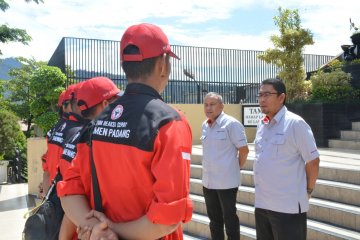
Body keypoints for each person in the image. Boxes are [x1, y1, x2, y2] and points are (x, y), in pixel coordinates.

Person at [58, 23, 193, 240]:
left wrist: (95, 228)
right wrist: (111, 230)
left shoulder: (95, 122)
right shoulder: (170, 122)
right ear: (162, 66)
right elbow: (167, 220)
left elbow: (69, 190)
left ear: (124, 66)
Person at [254, 78, 320, 240]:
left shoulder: (295, 123)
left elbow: (313, 160)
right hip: (262, 204)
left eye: (267, 94)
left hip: (287, 206)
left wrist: (308, 191)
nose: (262, 99)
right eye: (260, 95)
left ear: (281, 97)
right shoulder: (262, 125)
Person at [57, 77, 121, 240]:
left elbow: (69, 193)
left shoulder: (74, 137)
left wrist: (86, 225)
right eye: (116, 101)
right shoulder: (105, 140)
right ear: (106, 105)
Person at [201, 92, 249, 240]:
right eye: (206, 104)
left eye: (212, 104)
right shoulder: (205, 125)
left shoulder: (232, 124)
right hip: (208, 182)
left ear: (222, 106)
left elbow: (244, 150)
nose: (208, 108)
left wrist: (236, 168)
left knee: (230, 220)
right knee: (214, 221)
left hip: (226, 183)